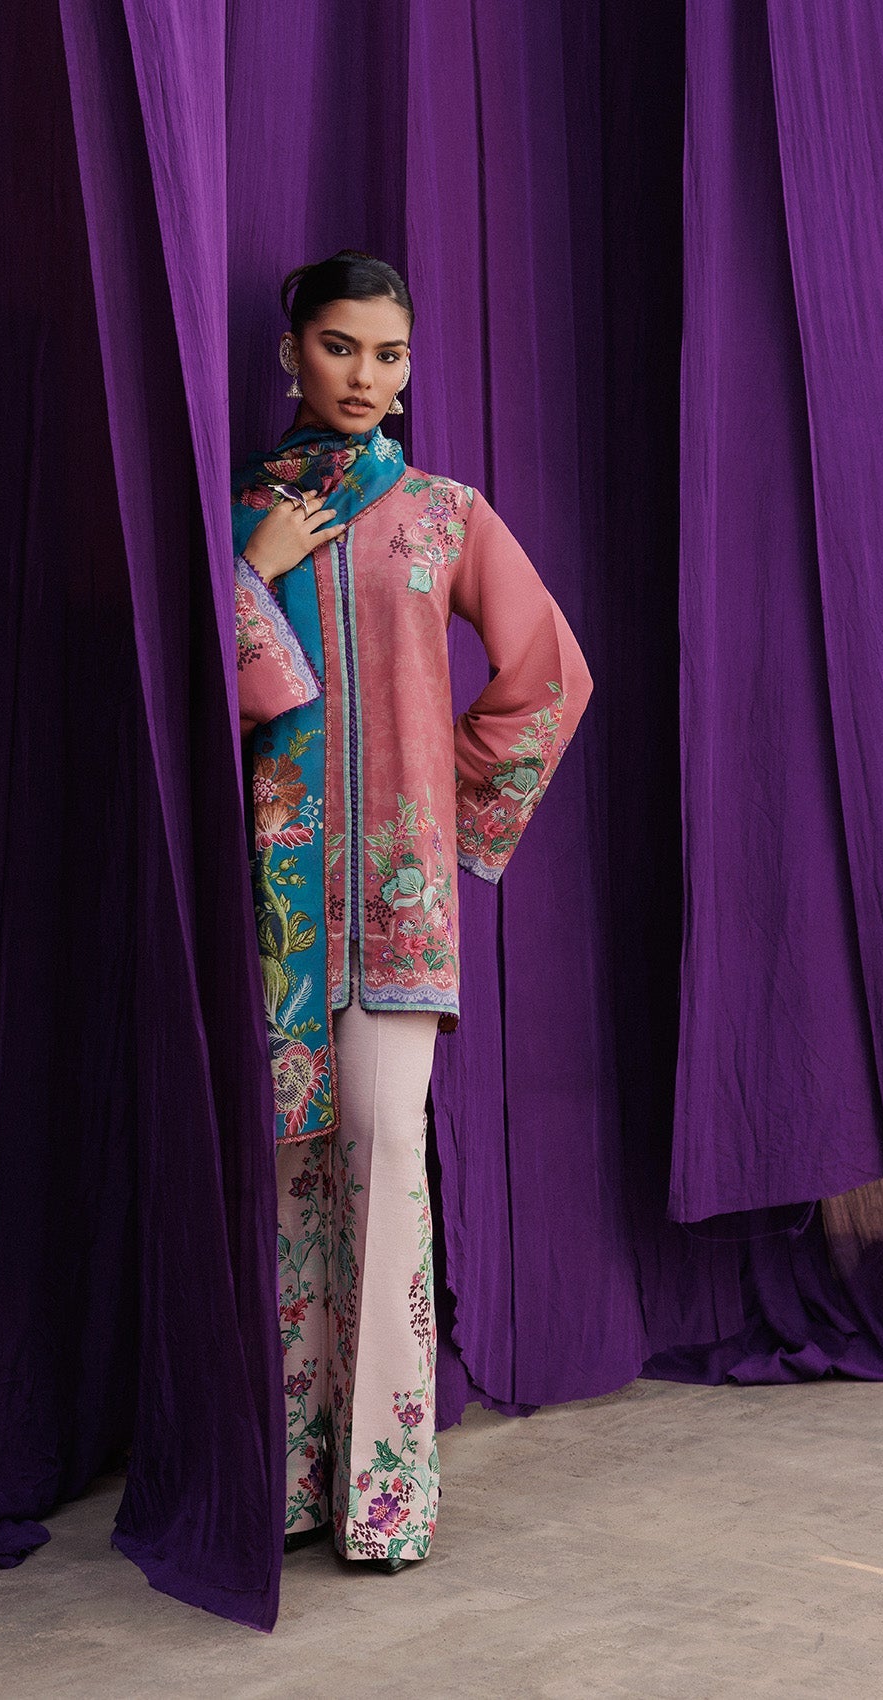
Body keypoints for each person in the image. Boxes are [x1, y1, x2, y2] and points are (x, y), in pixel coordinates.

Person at [231, 249, 593, 1575]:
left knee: (386, 1153)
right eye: (339, 347)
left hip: (395, 900)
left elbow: (549, 673)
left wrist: (440, 807)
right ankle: (288, 1474)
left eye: (388, 354)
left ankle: (385, 1492)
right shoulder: (242, 509)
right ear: (292, 351)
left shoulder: (444, 514)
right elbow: (171, 682)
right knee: (287, 1170)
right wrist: (252, 572)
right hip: (271, 900)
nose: (364, 376)